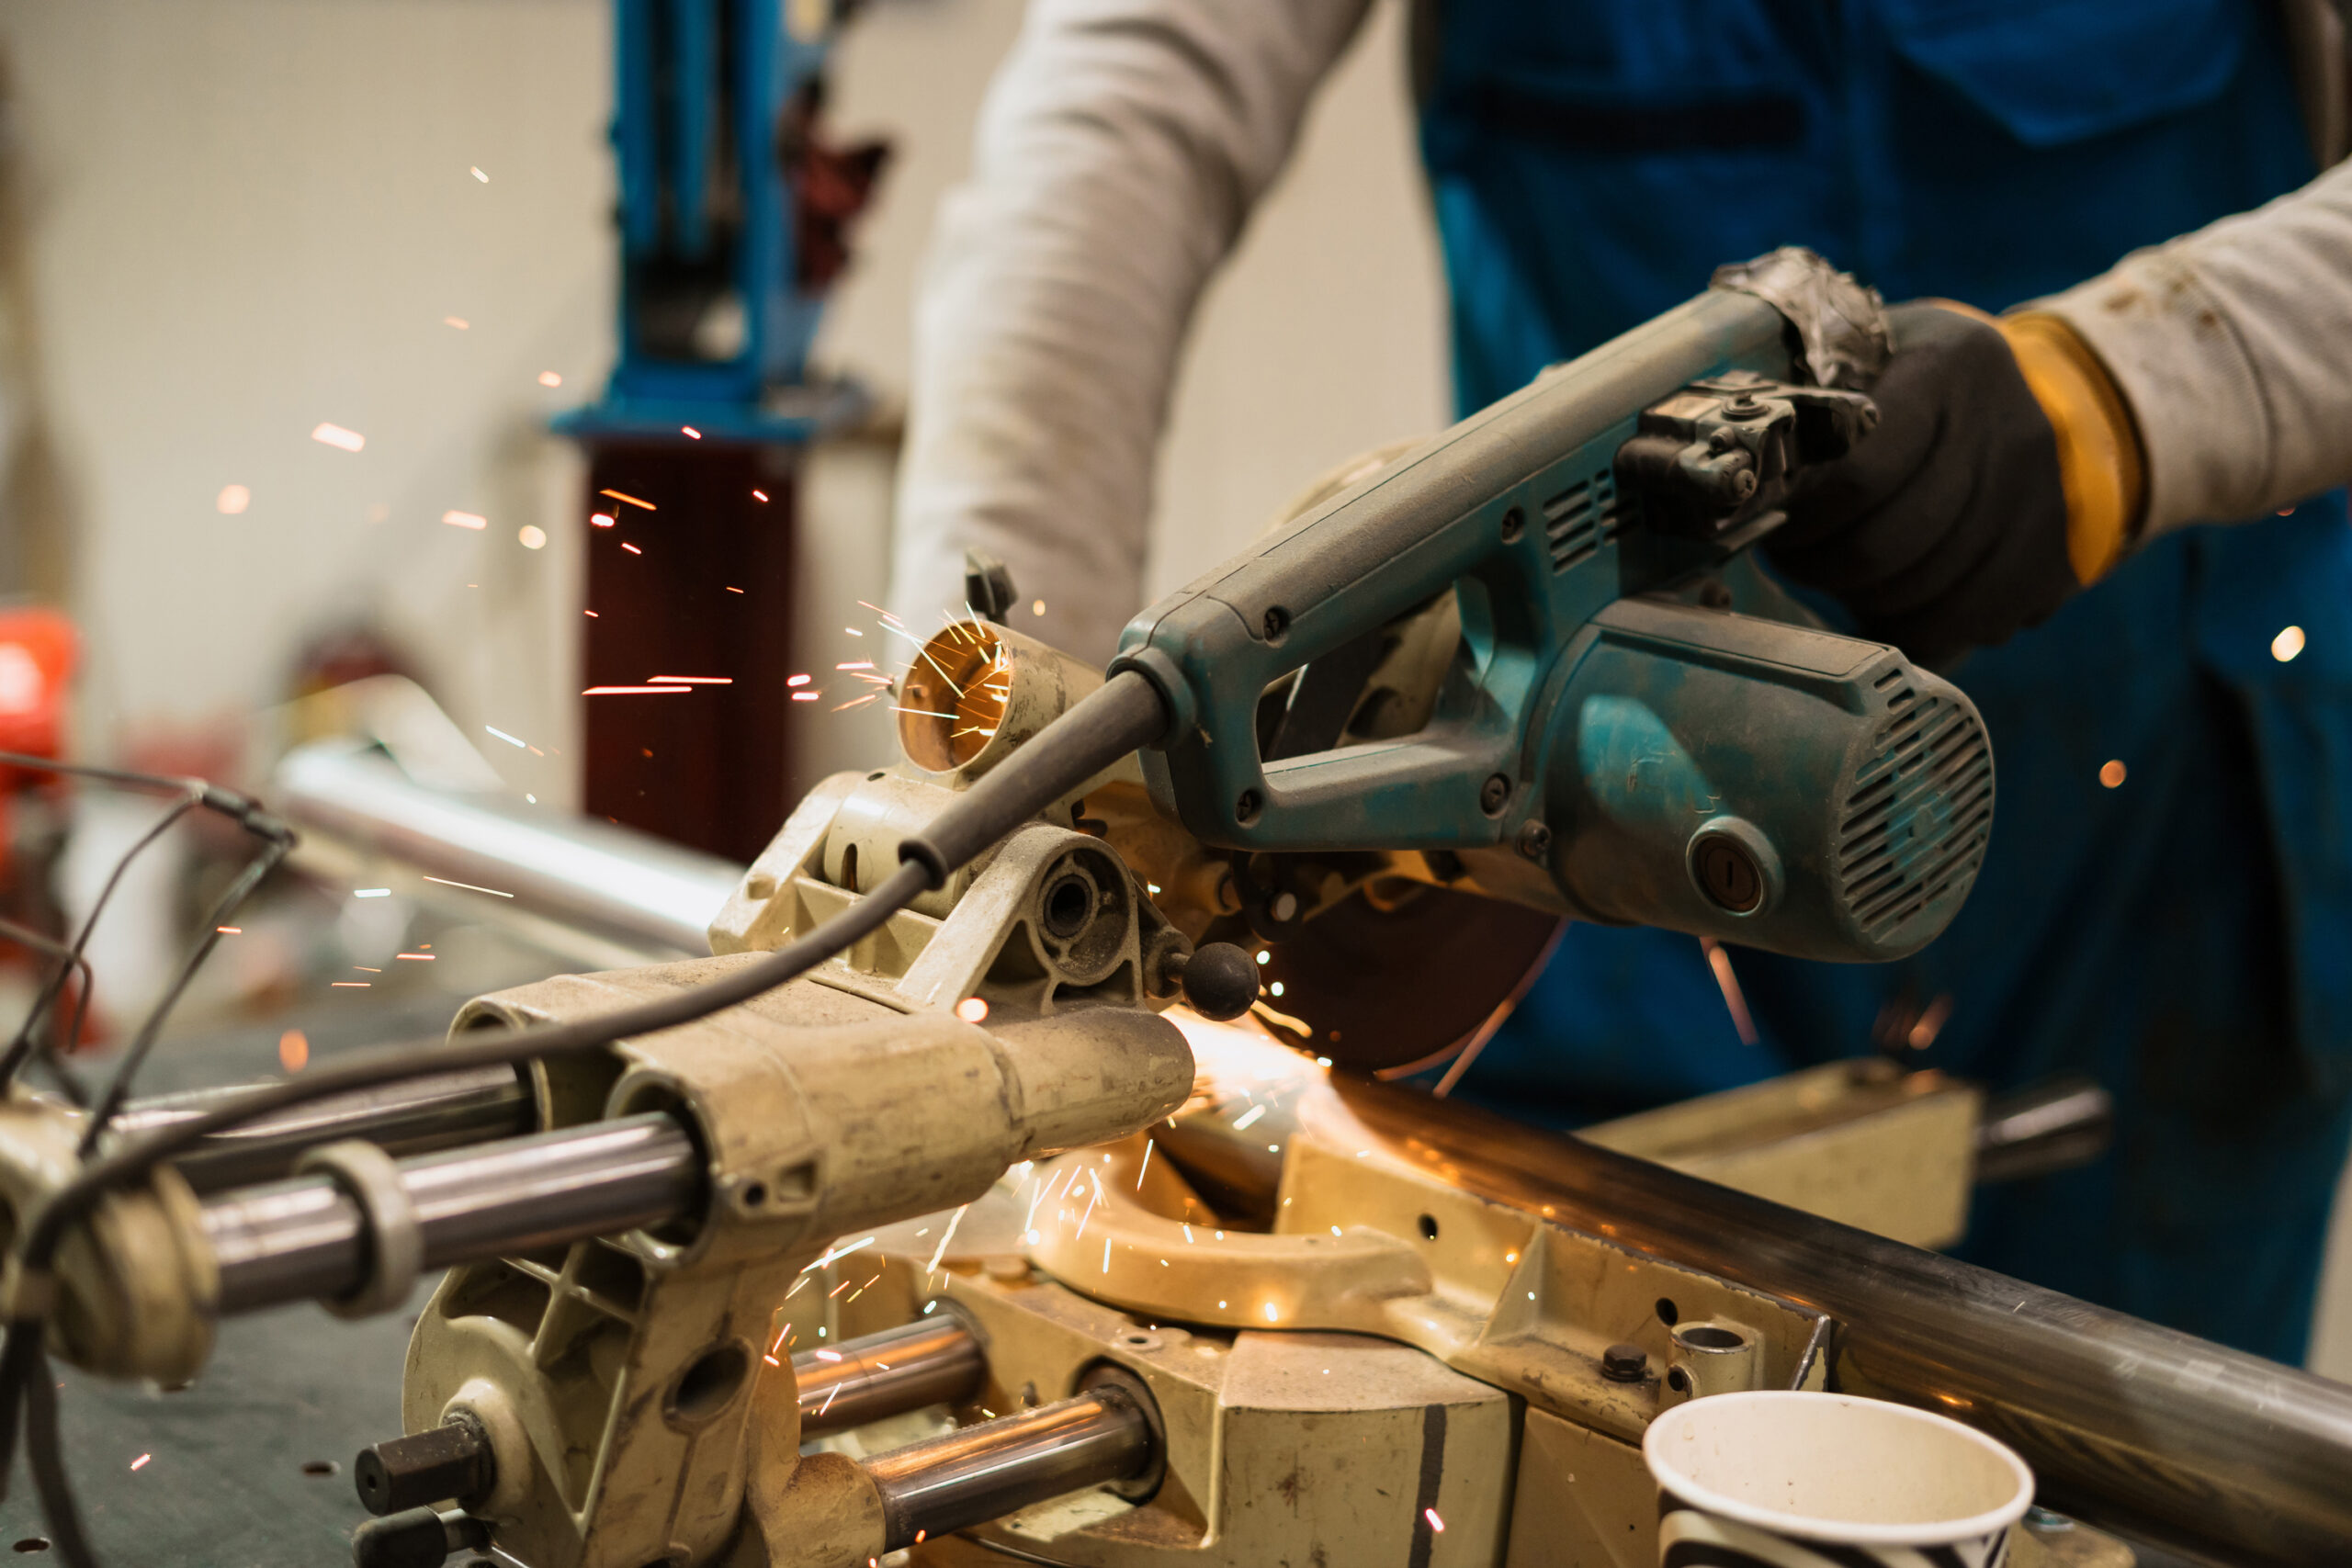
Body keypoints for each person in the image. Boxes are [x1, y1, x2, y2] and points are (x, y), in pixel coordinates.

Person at [886, 0, 2352, 1365]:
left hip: (2166, 844)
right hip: (1563, 832)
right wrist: (1029, 752)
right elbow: (1125, 112)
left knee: (2141, 1464)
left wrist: (2136, 386)